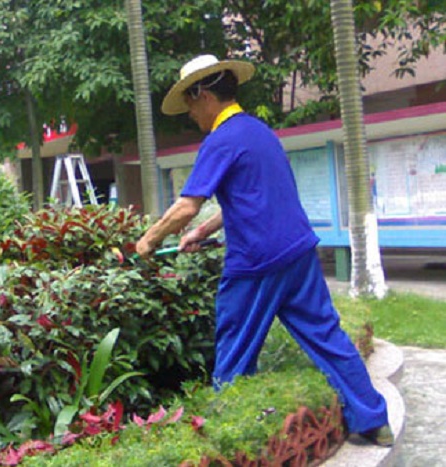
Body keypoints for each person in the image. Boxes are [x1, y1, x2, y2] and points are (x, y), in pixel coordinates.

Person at [135, 54, 393, 446]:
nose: (190, 114)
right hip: (298, 253)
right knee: (328, 337)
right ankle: (374, 421)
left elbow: (186, 205)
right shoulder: (260, 132)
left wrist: (147, 241)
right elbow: (248, 197)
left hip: (256, 263)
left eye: (189, 104)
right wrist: (202, 231)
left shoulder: (220, 139)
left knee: (234, 351)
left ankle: (230, 439)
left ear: (203, 94)